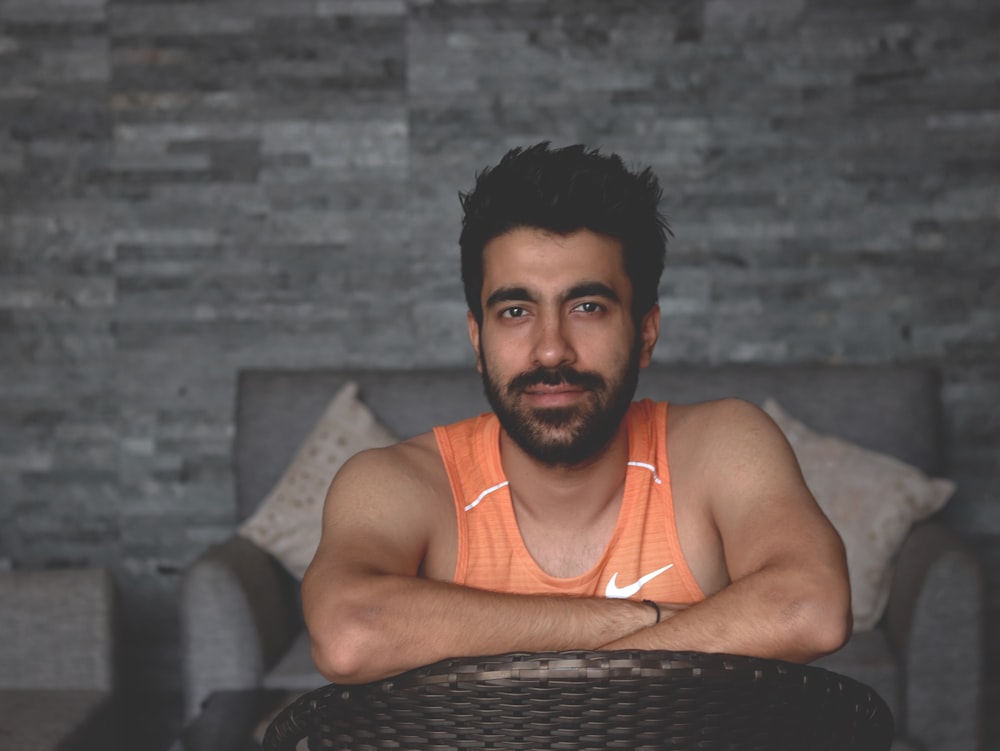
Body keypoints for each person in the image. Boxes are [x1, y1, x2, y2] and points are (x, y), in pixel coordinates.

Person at [302, 142, 851, 685]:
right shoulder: (399, 481)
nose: (550, 350)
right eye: (516, 311)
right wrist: (649, 621)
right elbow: (351, 633)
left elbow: (809, 607)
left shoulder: (722, 444)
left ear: (646, 332)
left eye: (587, 307)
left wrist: (574, 667)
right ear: (477, 339)